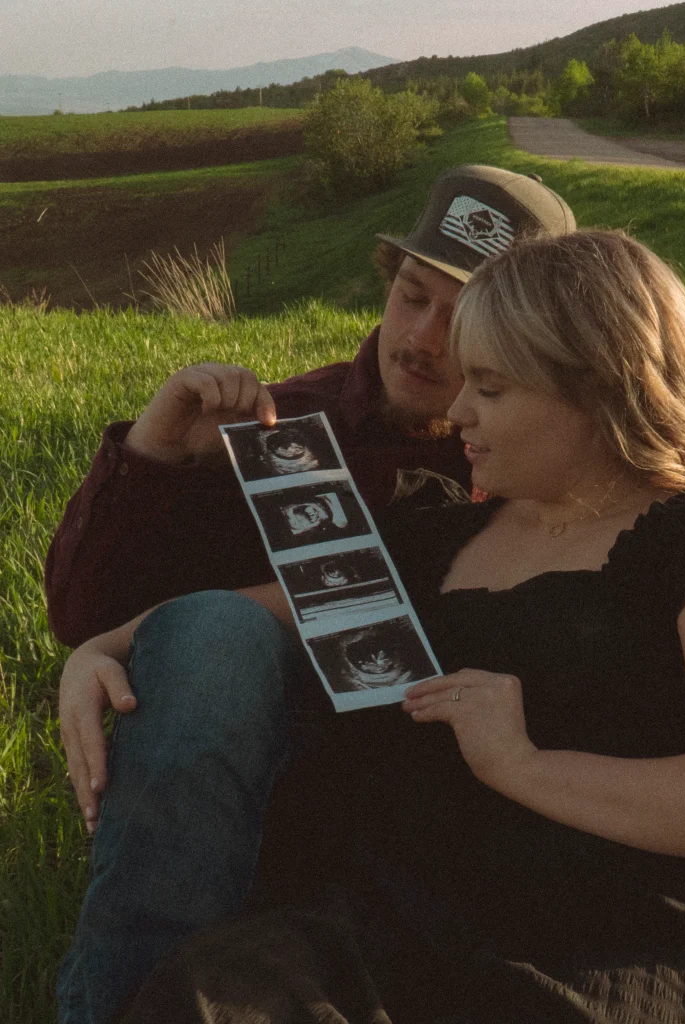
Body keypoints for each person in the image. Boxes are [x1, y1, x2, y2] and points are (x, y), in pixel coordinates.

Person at [62, 229, 685, 1024]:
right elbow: (246, 615)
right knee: (209, 995)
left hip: (633, 940)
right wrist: (96, 655)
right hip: (415, 923)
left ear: (593, 389)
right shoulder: (439, 537)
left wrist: (523, 765)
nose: (458, 410)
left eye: (491, 387)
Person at [54, 165, 576, 1024]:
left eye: (464, 315)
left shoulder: (544, 457)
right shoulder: (278, 429)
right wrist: (154, 454)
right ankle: (119, 1001)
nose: (424, 337)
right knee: (215, 630)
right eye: (412, 295)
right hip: (270, 767)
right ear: (385, 280)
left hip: (462, 796)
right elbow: (89, 616)